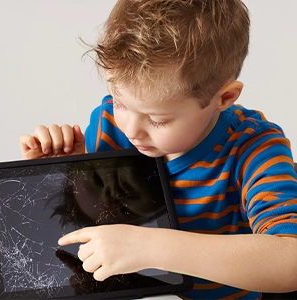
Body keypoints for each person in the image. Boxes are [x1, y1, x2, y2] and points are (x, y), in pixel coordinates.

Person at [19, 0, 297, 299]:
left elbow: (290, 260)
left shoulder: (252, 148)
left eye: (157, 119)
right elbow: (99, 227)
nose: (130, 129)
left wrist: (152, 248)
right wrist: (66, 172)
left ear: (224, 97)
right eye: (120, 102)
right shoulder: (109, 123)